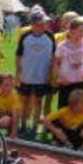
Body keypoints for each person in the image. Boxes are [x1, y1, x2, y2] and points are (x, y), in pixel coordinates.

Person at [16, 8, 55, 138]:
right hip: (26, 75)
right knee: (25, 101)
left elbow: (53, 57)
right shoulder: (25, 36)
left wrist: (50, 73)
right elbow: (19, 55)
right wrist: (18, 72)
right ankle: (23, 125)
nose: (43, 26)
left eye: (44, 23)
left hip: (42, 76)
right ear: (33, 24)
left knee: (38, 102)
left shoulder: (49, 36)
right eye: (40, 24)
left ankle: (34, 127)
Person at [54, 17, 83, 108]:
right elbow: (56, 63)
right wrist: (61, 77)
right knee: (65, 107)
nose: (82, 34)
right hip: (66, 82)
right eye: (80, 31)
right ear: (71, 30)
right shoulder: (62, 46)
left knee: (80, 107)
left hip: (80, 81)